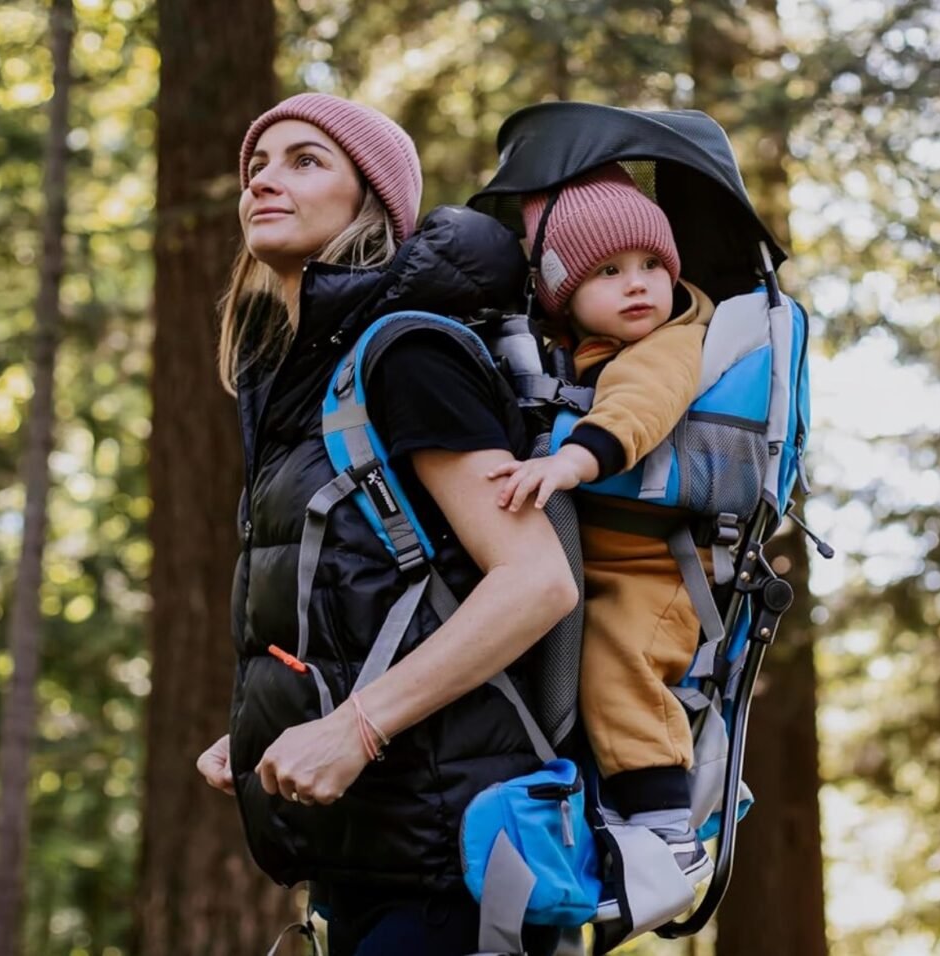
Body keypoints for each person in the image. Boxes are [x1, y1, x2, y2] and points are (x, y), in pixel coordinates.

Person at [195, 92, 577, 956]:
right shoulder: (300, 382)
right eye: (257, 164)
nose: (263, 180)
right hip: (373, 860)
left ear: (372, 200)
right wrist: (272, 723)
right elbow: (380, 594)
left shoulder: (405, 352)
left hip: (456, 867)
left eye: (305, 161)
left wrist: (354, 727)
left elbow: (535, 580)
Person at [487, 164, 717, 885]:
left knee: (618, 670)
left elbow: (637, 409)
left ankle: (666, 832)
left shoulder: (668, 345)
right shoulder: (569, 351)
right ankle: (614, 814)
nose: (640, 283)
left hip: (656, 569)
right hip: (600, 562)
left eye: (653, 264)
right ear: (564, 294)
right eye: (610, 271)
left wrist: (570, 463)